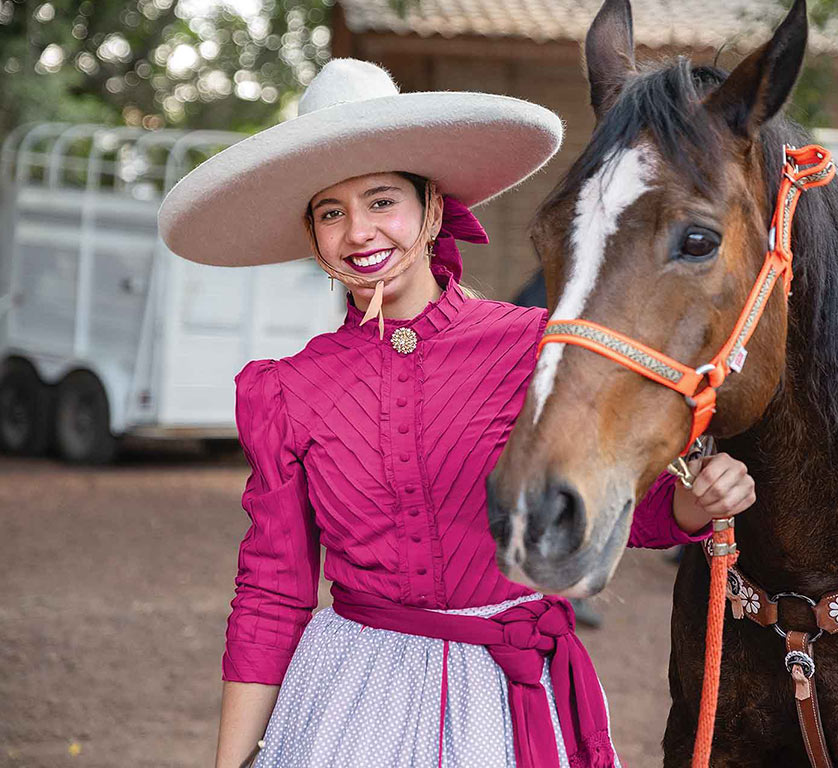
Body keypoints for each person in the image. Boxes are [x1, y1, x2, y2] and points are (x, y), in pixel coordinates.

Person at [158, 58, 756, 768]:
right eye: (330, 212)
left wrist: (693, 504)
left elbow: (618, 500)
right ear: (313, 237)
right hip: (351, 701)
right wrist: (231, 762)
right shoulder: (289, 391)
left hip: (508, 699)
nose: (358, 232)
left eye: (382, 201)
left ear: (431, 206)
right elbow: (271, 594)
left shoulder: (535, 345)